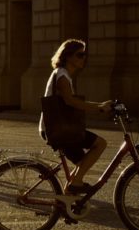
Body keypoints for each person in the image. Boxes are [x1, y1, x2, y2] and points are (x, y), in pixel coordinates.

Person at [38, 39, 113, 195]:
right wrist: (99, 107)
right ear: (68, 56)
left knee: (82, 163)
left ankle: (69, 194)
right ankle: (76, 183)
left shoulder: (62, 74)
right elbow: (70, 101)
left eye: (84, 55)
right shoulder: (62, 75)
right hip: (57, 129)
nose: (83, 58)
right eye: (80, 55)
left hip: (58, 127)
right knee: (100, 144)